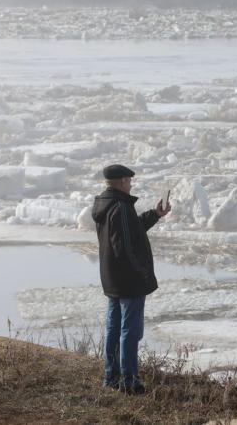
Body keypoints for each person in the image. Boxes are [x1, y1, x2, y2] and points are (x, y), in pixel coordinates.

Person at [91, 164, 171, 394]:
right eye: (129, 180)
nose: (131, 184)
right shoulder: (121, 207)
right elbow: (124, 246)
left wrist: (155, 214)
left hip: (112, 277)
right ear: (123, 181)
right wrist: (142, 272)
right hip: (128, 280)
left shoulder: (104, 204)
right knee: (130, 331)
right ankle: (129, 381)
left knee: (114, 327)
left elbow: (130, 231)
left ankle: (111, 377)